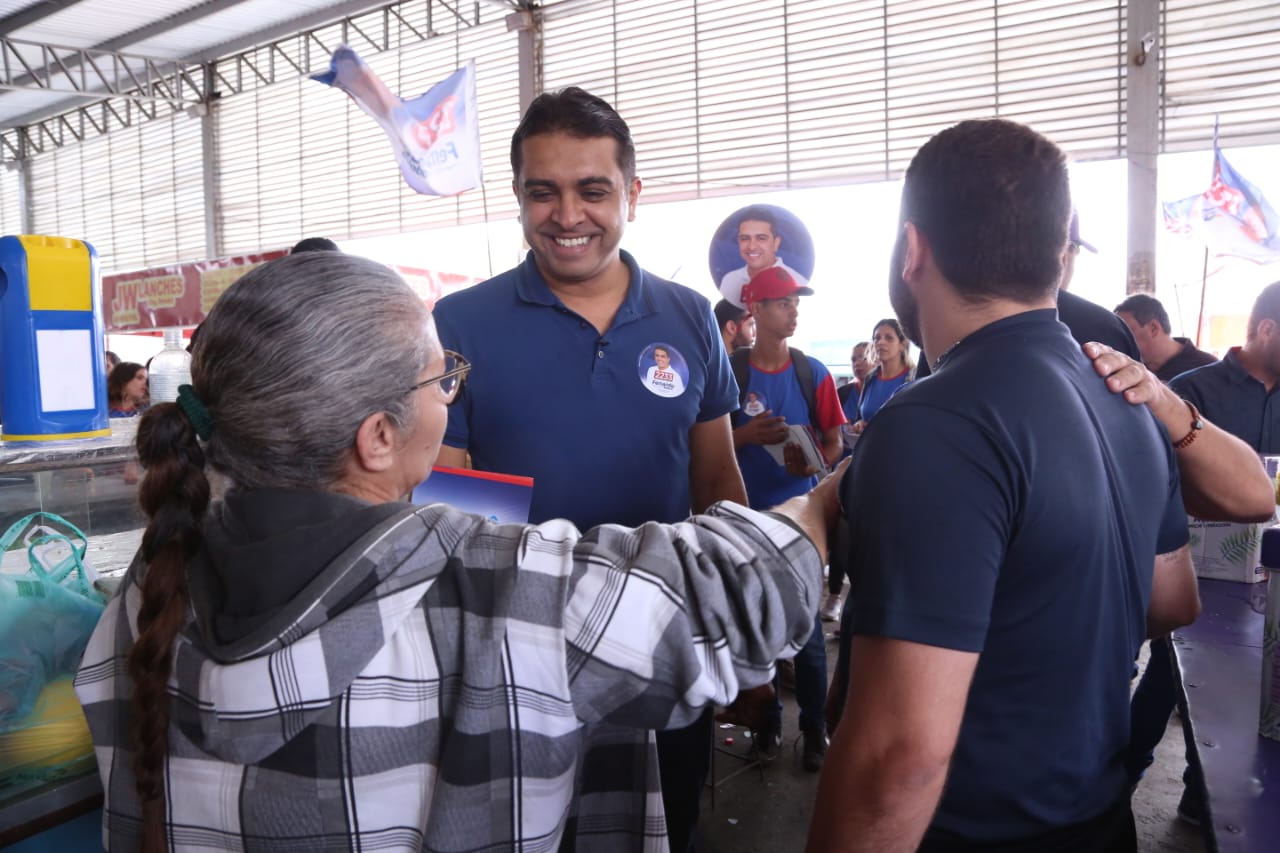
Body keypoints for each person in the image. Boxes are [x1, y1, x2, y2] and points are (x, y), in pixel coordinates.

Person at [73, 251, 836, 853]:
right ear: (377, 437)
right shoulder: (503, 593)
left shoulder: (145, 593)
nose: (449, 394)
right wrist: (829, 498)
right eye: (443, 378)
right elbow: (741, 593)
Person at [807, 119, 1199, 853]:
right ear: (1060, 258)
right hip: (1099, 817)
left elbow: (900, 760)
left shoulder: (932, 423)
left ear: (913, 249)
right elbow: (1173, 600)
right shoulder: (1128, 398)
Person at [432, 87, 747, 853]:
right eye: (544, 191)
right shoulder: (462, 323)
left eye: (592, 190)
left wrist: (738, 628)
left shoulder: (686, 316)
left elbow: (716, 484)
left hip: (662, 655)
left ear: (631, 195)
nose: (567, 214)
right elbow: (450, 506)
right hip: (519, 666)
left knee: (667, 827)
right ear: (518, 197)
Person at [731, 264, 845, 772]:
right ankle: (768, 723)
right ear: (755, 309)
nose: (793, 310)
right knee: (756, 631)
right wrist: (743, 437)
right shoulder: (730, 372)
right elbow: (702, 441)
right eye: (783, 302)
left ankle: (815, 730)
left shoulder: (812, 372)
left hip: (801, 523)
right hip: (741, 521)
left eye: (796, 302)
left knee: (809, 638)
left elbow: (834, 445)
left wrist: (813, 463)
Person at [719, 206, 809, 307]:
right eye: (745, 238)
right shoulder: (730, 280)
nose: (752, 246)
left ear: (776, 243)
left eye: (761, 238)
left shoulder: (797, 282)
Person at [1115, 293, 1217, 381]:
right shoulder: (1129, 367)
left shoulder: (1206, 369)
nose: (1120, 341)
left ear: (1153, 328)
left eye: (1127, 332)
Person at [849, 319, 913, 433]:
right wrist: (859, 424)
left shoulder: (914, 378)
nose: (881, 342)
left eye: (889, 338)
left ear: (902, 345)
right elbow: (861, 418)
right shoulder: (870, 379)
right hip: (868, 448)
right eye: (877, 338)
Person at [837, 342, 872, 418]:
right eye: (853, 360)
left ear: (877, 360)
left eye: (863, 358)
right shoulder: (842, 394)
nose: (857, 364)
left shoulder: (886, 392)